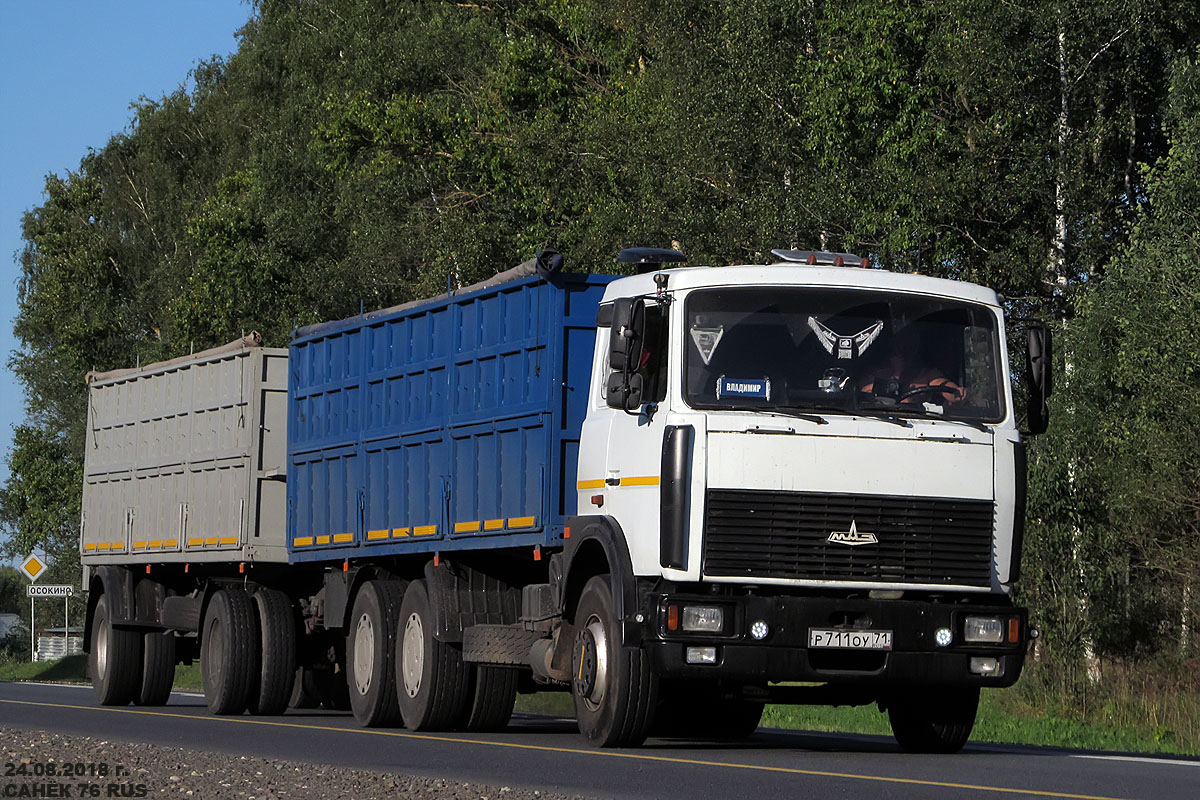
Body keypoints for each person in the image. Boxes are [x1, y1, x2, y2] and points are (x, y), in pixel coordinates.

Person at [860, 327, 964, 405]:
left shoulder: (926, 374)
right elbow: (864, 392)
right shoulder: (878, 373)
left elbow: (947, 389)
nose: (904, 351)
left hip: (920, 421)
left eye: (909, 346)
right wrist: (896, 375)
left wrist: (958, 393)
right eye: (899, 347)